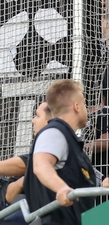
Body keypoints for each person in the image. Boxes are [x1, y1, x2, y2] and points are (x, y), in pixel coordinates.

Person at [25, 79, 109, 225]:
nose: (86, 109)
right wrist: (61, 188)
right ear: (77, 106)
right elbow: (41, 165)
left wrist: (104, 183)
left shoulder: (71, 142)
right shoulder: (55, 132)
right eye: (84, 103)